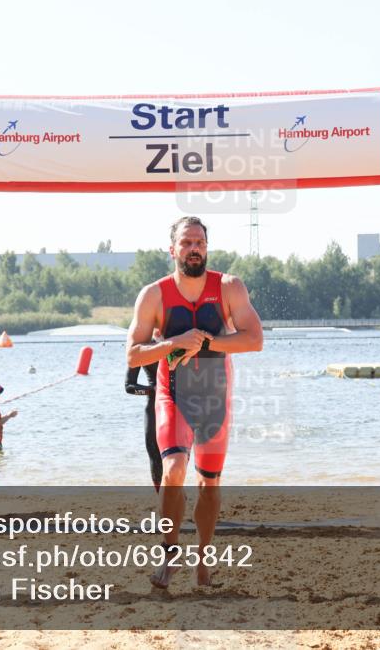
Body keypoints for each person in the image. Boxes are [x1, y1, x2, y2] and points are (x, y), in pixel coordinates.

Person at [126, 216, 263, 588]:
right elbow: (133, 355)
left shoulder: (229, 287)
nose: (194, 249)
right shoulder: (153, 295)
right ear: (172, 250)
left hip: (215, 398)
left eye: (199, 242)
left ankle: (204, 560)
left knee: (210, 484)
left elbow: (254, 340)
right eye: (186, 243)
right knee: (173, 470)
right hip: (174, 395)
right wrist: (174, 342)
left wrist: (206, 343)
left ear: (207, 247)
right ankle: (170, 554)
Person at [125, 361, 161, 491]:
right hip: (154, 406)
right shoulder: (142, 347)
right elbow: (129, 387)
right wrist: (153, 390)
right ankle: (161, 496)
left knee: (180, 455)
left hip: (182, 405)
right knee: (154, 452)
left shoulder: (180, 342)